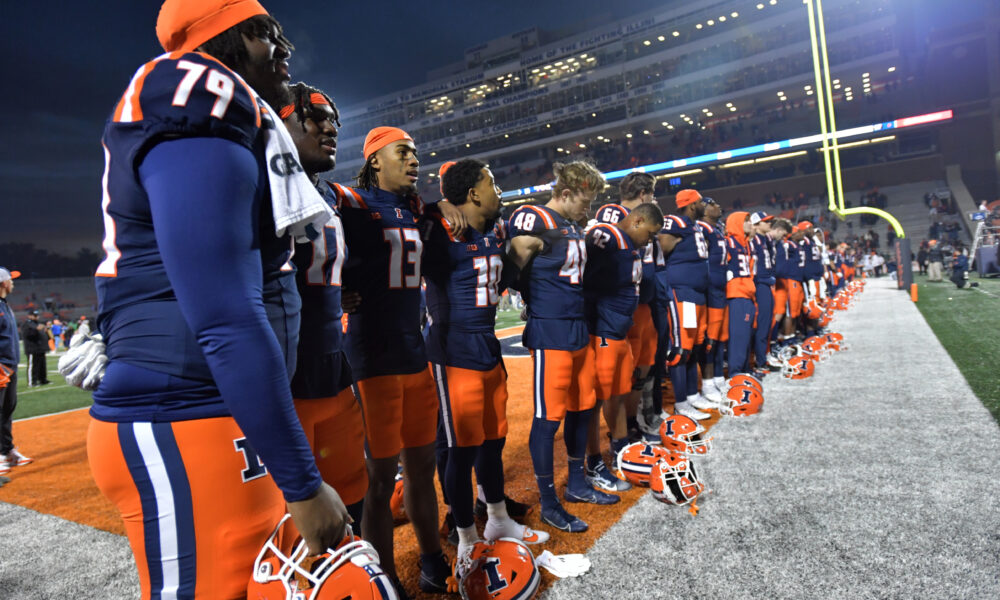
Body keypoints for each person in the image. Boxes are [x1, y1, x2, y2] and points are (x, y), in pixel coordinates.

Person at [88, 3, 350, 598]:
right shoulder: (196, 85)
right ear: (221, 37)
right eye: (264, 33)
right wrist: (304, 482)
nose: (283, 48)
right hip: (180, 410)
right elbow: (225, 314)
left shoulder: (236, 107)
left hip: (216, 406)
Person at [331, 125, 465, 594]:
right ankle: (382, 579)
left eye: (415, 152)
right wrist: (335, 287)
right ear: (374, 160)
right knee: (379, 481)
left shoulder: (411, 206)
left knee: (422, 472)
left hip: (414, 351)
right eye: (403, 152)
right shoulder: (348, 201)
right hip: (373, 358)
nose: (414, 160)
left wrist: (439, 204)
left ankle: (431, 559)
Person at [425, 158, 550, 574]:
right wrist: (434, 206)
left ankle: (498, 521)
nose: (499, 190)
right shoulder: (439, 229)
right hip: (453, 350)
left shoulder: (495, 230)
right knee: (460, 451)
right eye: (492, 182)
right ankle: (465, 539)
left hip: (487, 346)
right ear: (474, 193)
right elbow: (400, 219)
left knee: (493, 441)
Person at [508, 161, 614, 534]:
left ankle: (577, 484)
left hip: (577, 328)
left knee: (583, 406)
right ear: (565, 193)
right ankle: (549, 501)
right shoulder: (533, 218)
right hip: (550, 330)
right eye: (585, 201)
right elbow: (511, 268)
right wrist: (531, 296)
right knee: (547, 416)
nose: (589, 209)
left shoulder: (570, 224)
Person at [280, 83, 368, 530]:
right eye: (314, 118)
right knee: (292, 520)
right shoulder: (260, 183)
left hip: (334, 365)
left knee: (354, 495)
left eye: (334, 118)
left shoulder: (332, 195)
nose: (330, 126)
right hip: (285, 377)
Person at [583, 202, 663, 492]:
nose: (651, 240)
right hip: (601, 330)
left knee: (618, 394)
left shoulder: (629, 244)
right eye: (651, 233)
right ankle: (593, 463)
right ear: (638, 220)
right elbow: (583, 276)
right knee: (594, 402)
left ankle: (620, 450)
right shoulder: (607, 235)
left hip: (620, 331)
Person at [593, 172, 661, 443]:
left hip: (639, 303)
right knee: (617, 382)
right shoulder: (614, 215)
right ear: (644, 194)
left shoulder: (643, 223)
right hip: (618, 312)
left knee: (638, 372)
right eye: (652, 194)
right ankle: (621, 435)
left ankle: (633, 424)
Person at [659, 189, 714, 421]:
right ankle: (680, 403)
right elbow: (661, 249)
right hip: (683, 294)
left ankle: (691, 394)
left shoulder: (695, 226)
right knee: (681, 349)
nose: (705, 204)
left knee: (695, 346)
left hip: (697, 296)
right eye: (701, 201)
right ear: (691, 205)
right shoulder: (676, 222)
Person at [1, 267, 33, 477]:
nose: (13, 283)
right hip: (1, 366)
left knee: (7, 409)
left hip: (9, 366)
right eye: (11, 280)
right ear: (3, 283)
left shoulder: (4, 305)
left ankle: (6, 450)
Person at [697, 198, 727, 401]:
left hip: (719, 288)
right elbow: (703, 259)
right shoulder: (703, 229)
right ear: (705, 209)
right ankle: (707, 383)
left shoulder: (716, 229)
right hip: (709, 290)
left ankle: (717, 378)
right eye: (713, 203)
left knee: (718, 338)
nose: (718, 206)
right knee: (709, 339)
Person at [724, 212, 757, 376]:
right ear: (737, 223)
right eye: (747, 221)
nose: (751, 224)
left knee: (747, 336)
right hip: (736, 294)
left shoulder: (746, 244)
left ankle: (745, 371)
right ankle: (736, 374)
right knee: (739, 337)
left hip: (748, 293)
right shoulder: (728, 242)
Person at [749, 212, 777, 373]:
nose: (769, 224)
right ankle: (760, 360)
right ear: (757, 224)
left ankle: (764, 355)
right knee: (762, 324)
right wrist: (764, 280)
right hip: (760, 284)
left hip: (766, 283)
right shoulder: (754, 241)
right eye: (765, 222)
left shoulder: (766, 239)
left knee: (768, 323)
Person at [20, 311, 48, 387]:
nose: (36, 317)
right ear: (30, 316)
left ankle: (43, 379)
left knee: (42, 365)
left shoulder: (37, 323)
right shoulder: (27, 324)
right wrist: (37, 330)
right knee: (33, 366)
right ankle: (32, 382)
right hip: (32, 348)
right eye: (34, 315)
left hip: (40, 348)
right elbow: (28, 335)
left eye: (37, 315)